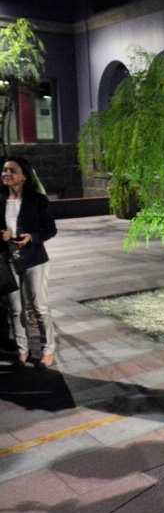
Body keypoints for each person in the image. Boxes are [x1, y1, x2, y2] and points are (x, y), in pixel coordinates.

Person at [0, 157, 57, 369]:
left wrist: (31, 237)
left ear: (24, 176)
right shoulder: (0, 198)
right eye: (4, 170)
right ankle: (23, 351)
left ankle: (48, 350)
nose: (6, 173)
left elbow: (50, 229)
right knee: (16, 309)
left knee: (40, 307)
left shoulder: (37, 200)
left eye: (12, 171)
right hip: (9, 261)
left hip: (34, 259)